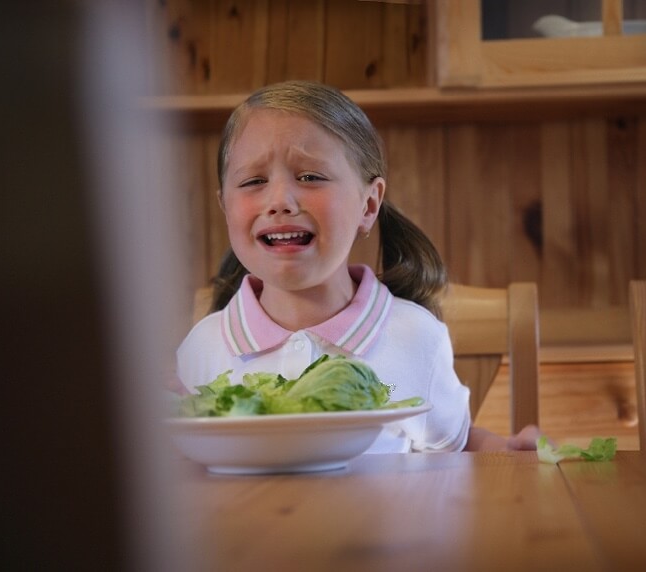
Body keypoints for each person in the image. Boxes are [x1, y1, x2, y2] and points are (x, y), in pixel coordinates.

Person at [176, 80, 538, 452]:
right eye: (253, 181)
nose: (280, 200)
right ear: (225, 207)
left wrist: (509, 450)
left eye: (310, 177)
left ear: (368, 205)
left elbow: (454, 449)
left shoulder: (415, 336)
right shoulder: (201, 349)